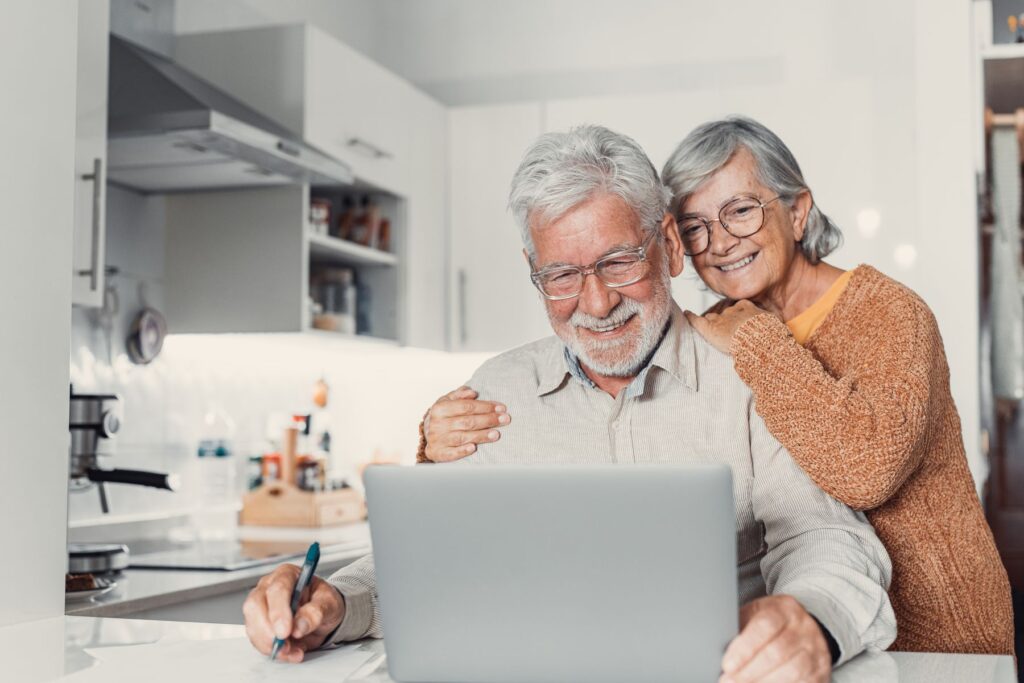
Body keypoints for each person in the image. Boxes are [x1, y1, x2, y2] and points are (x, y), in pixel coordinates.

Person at [243, 125, 896, 683]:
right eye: (561, 275)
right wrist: (329, 600)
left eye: (617, 261)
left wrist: (811, 617)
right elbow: (427, 571)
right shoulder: (494, 394)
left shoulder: (751, 375)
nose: (596, 302)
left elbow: (825, 537)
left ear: (668, 246)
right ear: (534, 270)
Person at [420, 116, 1015, 656]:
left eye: (741, 211)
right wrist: (434, 443)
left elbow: (865, 472)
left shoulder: (875, 317)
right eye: (698, 225)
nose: (721, 242)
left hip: (939, 630)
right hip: (824, 644)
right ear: (679, 244)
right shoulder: (726, 330)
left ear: (798, 211)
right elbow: (439, 542)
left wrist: (756, 344)